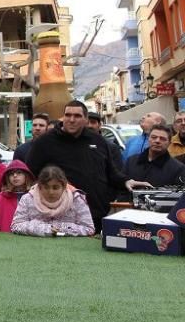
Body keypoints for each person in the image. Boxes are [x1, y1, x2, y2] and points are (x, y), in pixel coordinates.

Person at [26, 100, 153, 233]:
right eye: (68, 115)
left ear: (86, 119)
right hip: (60, 217)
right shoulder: (44, 142)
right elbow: (30, 174)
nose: (71, 119)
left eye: (77, 116)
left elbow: (111, 171)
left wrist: (126, 181)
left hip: (96, 214)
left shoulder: (98, 141)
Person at [11, 166, 95, 237]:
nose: (51, 192)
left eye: (55, 187)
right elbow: (16, 226)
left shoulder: (77, 199)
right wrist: (44, 228)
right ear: (40, 187)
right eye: (46, 187)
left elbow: (89, 229)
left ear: (64, 187)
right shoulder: (27, 199)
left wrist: (61, 228)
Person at [122, 124, 185, 196]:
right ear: (148, 139)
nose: (157, 141)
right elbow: (120, 185)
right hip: (128, 205)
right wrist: (125, 183)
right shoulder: (131, 161)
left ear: (169, 143)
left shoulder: (178, 168)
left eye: (162, 139)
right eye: (154, 137)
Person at [0, 160, 34, 232]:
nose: (15, 175)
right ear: (7, 178)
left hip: (30, 239)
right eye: (11, 174)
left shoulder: (34, 196)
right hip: (5, 240)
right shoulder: (0, 198)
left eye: (19, 172)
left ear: (26, 176)